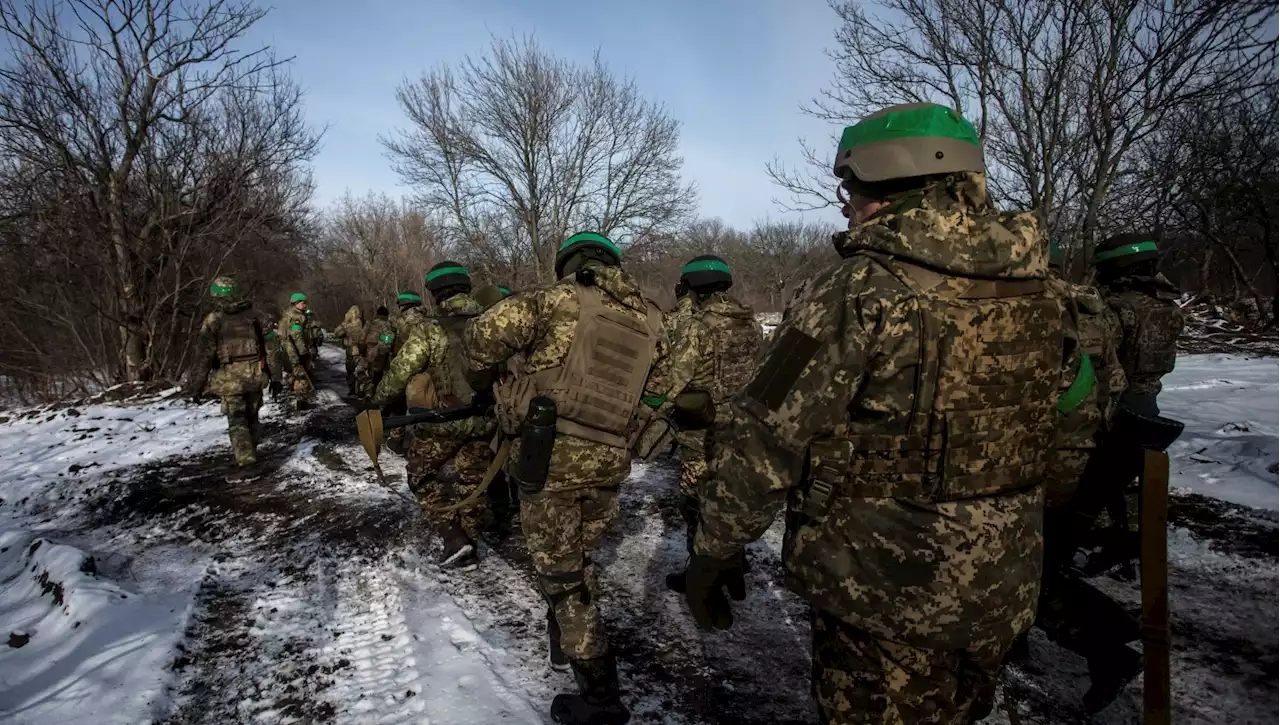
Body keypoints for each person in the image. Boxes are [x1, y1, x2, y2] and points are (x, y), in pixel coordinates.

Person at [681, 103, 1077, 725]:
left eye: (851, 187)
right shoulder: (1049, 290)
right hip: (1000, 579)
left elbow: (764, 438)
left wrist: (716, 546)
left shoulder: (857, 290)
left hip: (882, 586)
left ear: (888, 184)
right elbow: (1074, 413)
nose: (845, 204)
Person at [465, 231, 670, 725]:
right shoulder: (653, 318)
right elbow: (660, 393)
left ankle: (601, 697)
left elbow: (479, 340)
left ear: (570, 263)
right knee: (578, 556)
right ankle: (567, 630)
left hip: (551, 456)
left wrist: (490, 380)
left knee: (562, 579)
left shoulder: (556, 298)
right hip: (610, 459)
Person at [372, 262, 493, 568]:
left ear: (436, 293)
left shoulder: (430, 329)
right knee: (473, 479)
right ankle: (470, 535)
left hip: (444, 421)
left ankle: (454, 537)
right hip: (486, 419)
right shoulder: (493, 322)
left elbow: (400, 371)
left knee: (420, 474)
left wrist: (378, 402)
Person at [660, 255, 763, 592]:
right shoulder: (750, 323)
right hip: (743, 428)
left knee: (697, 502)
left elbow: (675, 380)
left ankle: (701, 577)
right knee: (730, 497)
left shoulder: (697, 326)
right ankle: (735, 566)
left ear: (694, 286)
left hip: (702, 433)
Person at [185, 276, 272, 469]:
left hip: (229, 379)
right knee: (252, 416)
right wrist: (274, 375)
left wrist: (196, 386)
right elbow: (270, 347)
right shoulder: (255, 316)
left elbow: (203, 357)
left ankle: (247, 462)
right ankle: (251, 452)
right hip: (254, 375)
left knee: (237, 420)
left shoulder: (214, 321)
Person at [278, 292, 313, 411]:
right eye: (303, 303)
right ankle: (302, 402)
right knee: (301, 376)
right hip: (295, 352)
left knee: (294, 374)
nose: (305, 305)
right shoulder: (296, 317)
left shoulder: (287, 315)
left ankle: (297, 395)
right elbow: (297, 335)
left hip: (288, 351)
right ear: (296, 304)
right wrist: (303, 352)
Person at [357, 305, 393, 399]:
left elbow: (361, 338)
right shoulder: (387, 325)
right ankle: (376, 396)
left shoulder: (370, 323)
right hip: (380, 353)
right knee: (379, 377)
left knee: (368, 374)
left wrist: (362, 351)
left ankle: (367, 392)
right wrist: (381, 338)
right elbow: (388, 340)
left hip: (368, 352)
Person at [333, 305, 365, 396]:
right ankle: (361, 390)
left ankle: (352, 390)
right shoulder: (363, 323)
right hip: (361, 349)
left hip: (351, 350)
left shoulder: (347, 325)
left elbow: (337, 333)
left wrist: (344, 322)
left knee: (350, 371)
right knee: (361, 371)